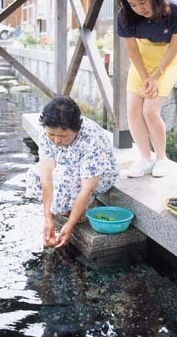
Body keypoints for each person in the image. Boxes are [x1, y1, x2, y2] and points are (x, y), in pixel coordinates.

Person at [116, 0, 177, 178]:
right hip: (141, 61)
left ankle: (162, 159)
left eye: (142, 2)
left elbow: (174, 48)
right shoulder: (125, 16)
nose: (139, 9)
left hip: (167, 60)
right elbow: (133, 50)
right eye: (133, 4)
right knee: (133, 109)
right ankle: (145, 158)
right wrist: (146, 76)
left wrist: (156, 76)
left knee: (150, 110)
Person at [26, 97, 119, 248]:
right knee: (34, 174)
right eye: (52, 135)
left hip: (100, 176)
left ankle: (79, 211)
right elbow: (46, 176)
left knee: (64, 179)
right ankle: (66, 208)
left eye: (63, 136)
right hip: (66, 166)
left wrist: (70, 225)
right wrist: (48, 219)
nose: (56, 141)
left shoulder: (91, 138)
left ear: (77, 129)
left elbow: (88, 187)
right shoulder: (46, 132)